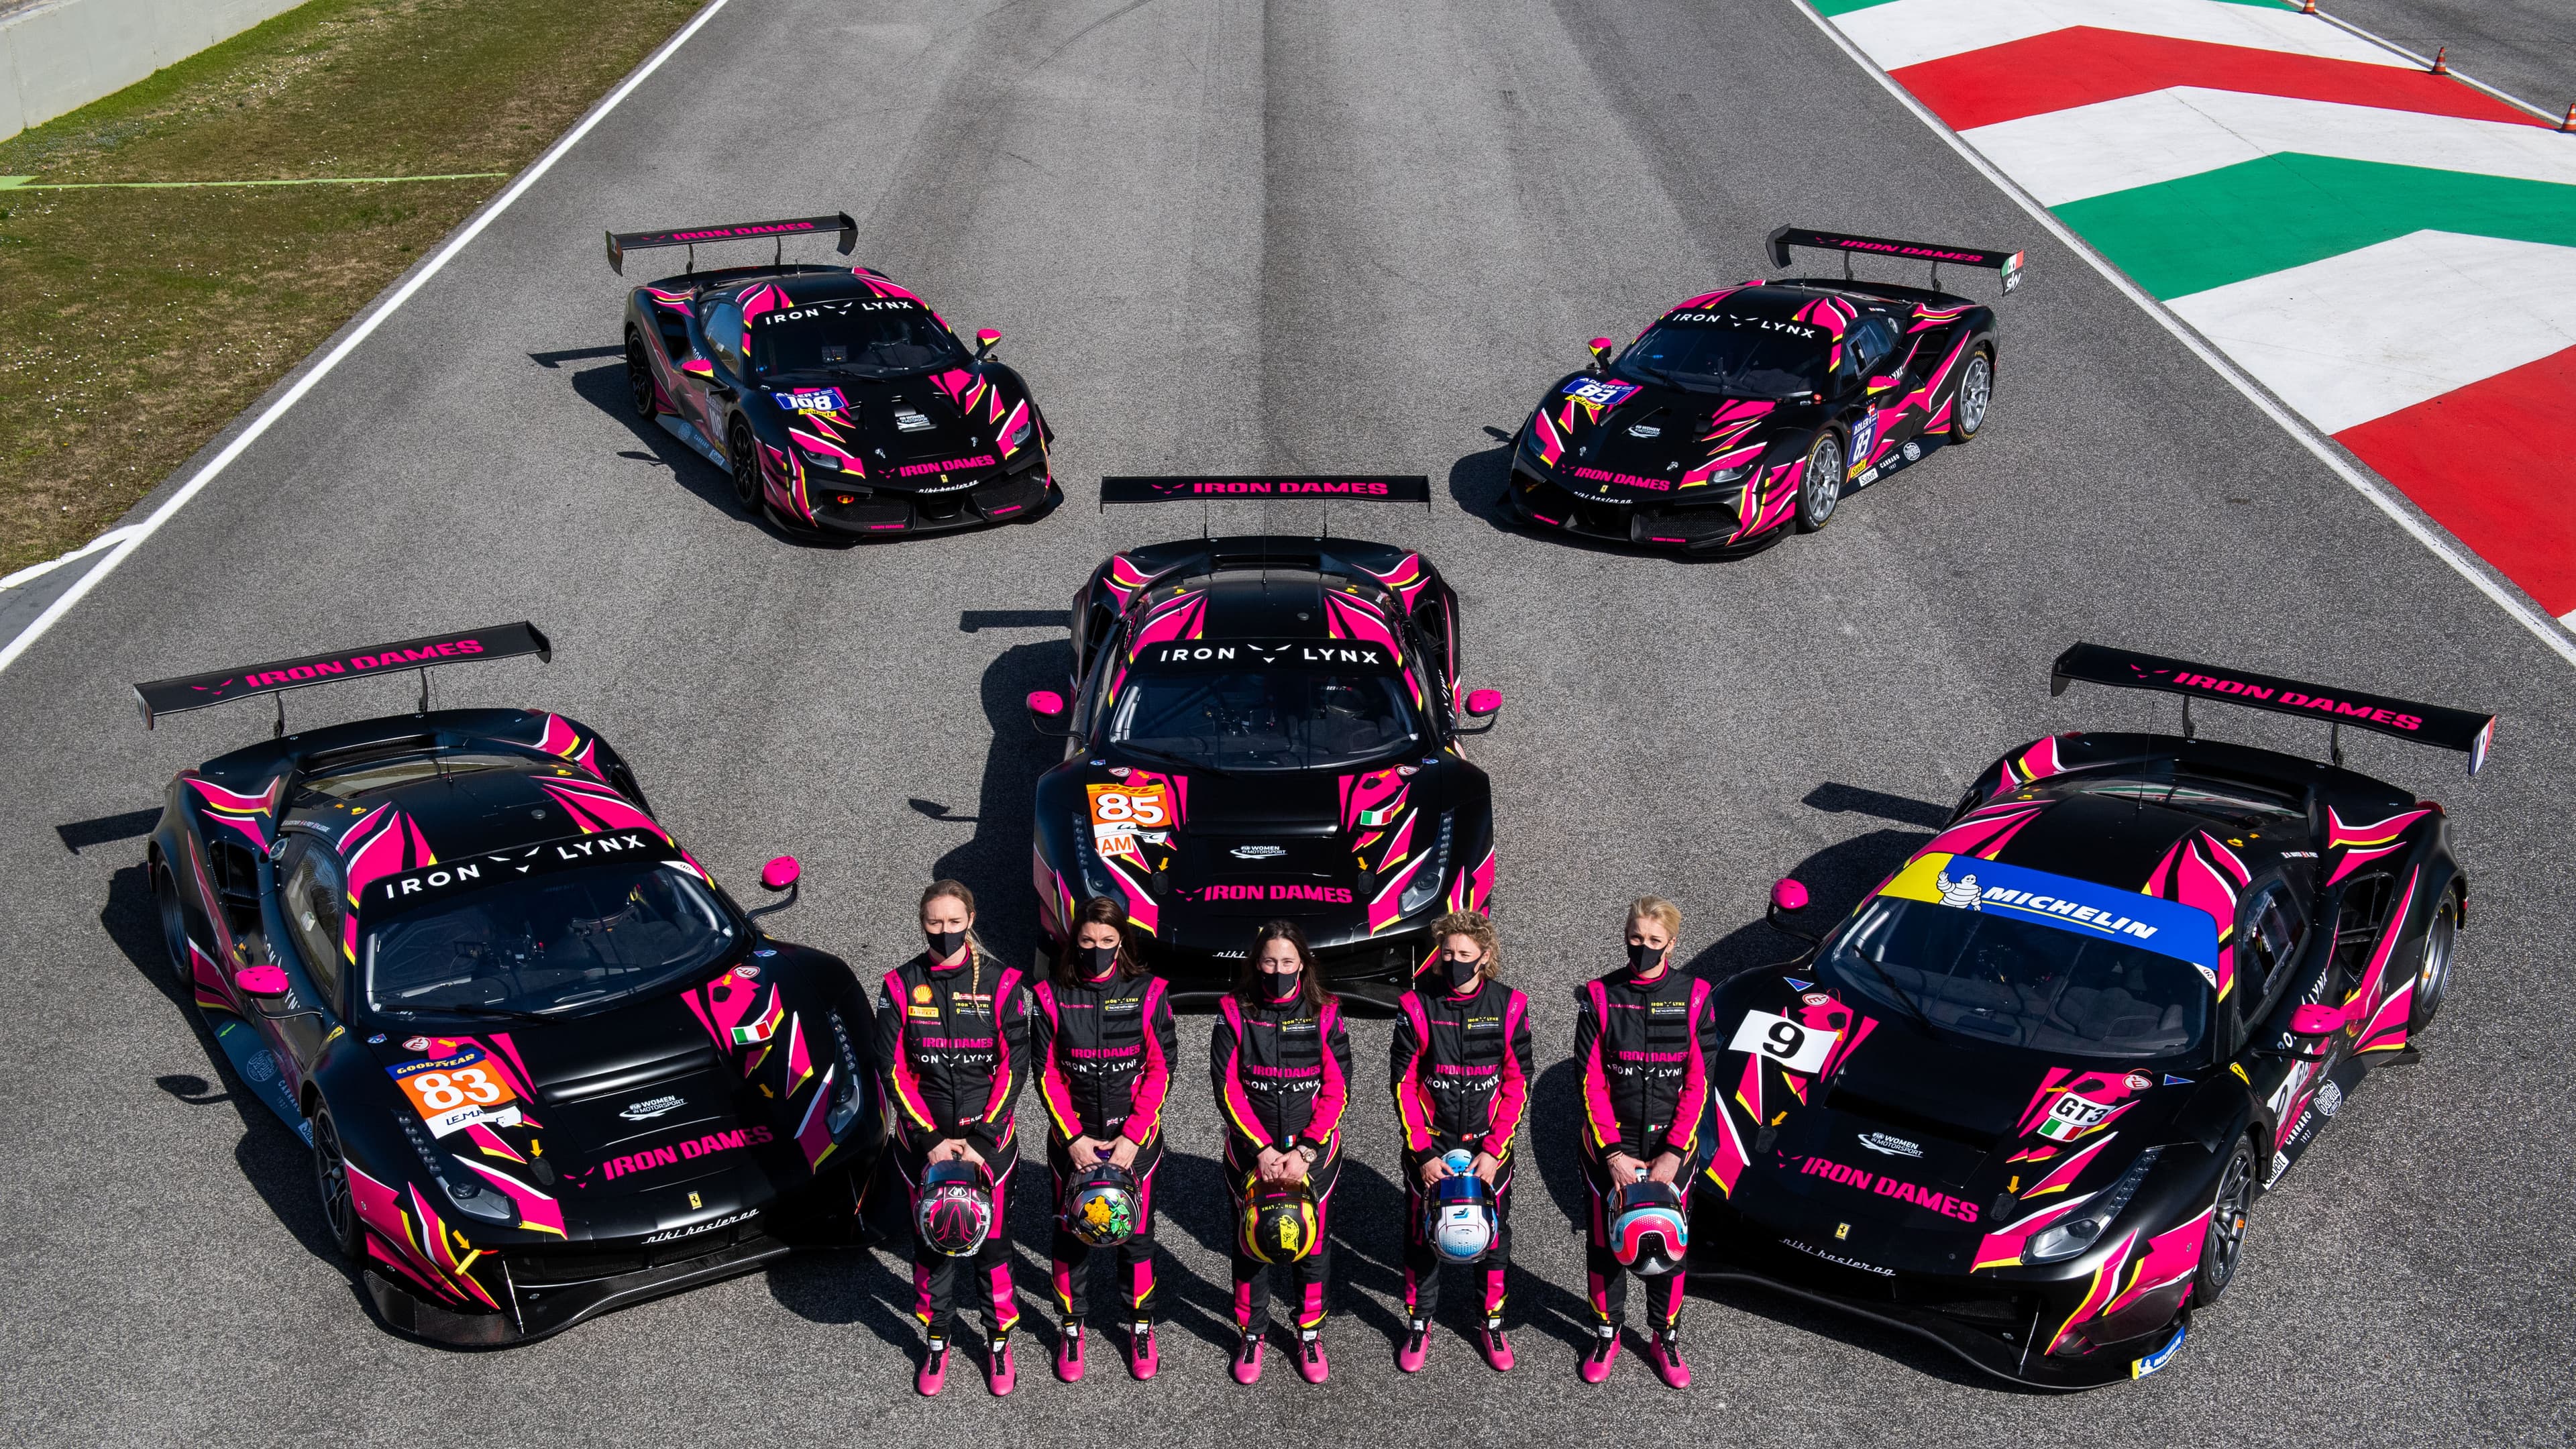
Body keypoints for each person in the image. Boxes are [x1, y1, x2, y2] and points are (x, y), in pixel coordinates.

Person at [873, 880, 1032, 1397]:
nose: (944, 932)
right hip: (925, 1148)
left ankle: (999, 1342)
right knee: (933, 1244)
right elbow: (890, 1065)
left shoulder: (1006, 983)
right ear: (922, 923)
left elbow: (1015, 1063)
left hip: (989, 1147)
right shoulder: (898, 984)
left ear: (971, 919)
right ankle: (936, 1341)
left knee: (992, 1247)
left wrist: (982, 1141)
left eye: (953, 922)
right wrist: (931, 1140)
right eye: (934, 923)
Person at [1572, 895, 1717, 1388]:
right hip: (1609, 1153)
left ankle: (1664, 1337)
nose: (1644, 948)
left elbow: (1701, 1081)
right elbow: (1589, 1081)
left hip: (1671, 1157)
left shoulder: (1696, 995)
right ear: (1625, 936)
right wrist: (1613, 1155)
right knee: (1605, 1246)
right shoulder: (1598, 995)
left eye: (1655, 941)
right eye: (1636, 939)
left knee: (1667, 1246)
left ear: (1673, 944)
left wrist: (1673, 1154)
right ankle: (1606, 1333)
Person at [1030, 896, 1177, 1383]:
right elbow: (1045, 1071)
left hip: (1134, 1145)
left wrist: (1133, 1138)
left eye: (1107, 942)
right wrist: (1072, 1138)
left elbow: (1160, 1070)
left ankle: (1140, 1325)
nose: (1097, 950)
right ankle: (1072, 1328)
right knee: (1070, 1237)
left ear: (1123, 942)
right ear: (1074, 943)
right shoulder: (1051, 995)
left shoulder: (1151, 993)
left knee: (1136, 1240)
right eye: (1087, 942)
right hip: (1072, 1147)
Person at [1210, 920, 1354, 1385]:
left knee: (1311, 1247)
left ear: (1303, 964)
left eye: (1287, 962)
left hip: (1312, 1158)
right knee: (1250, 1245)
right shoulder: (1233, 1011)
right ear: (1256, 962)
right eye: (1269, 961)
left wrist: (1306, 1151)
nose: (1278, 970)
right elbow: (1226, 1086)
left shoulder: (1326, 1011)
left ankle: (1309, 1334)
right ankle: (1251, 1333)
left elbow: (1337, 1088)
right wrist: (1262, 1151)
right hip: (1252, 1156)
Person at [1389, 910, 1533, 1373]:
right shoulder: (1415, 1004)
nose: (1453, 961)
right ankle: (1418, 1323)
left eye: (1464, 954)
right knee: (1422, 1237)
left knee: (1492, 1239)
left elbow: (1517, 1083)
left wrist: (1494, 1152)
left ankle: (1490, 1323)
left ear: (1485, 957)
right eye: (1447, 952)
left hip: (1489, 1153)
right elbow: (1403, 1084)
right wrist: (1423, 1154)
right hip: (1431, 1149)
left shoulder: (1510, 1006)